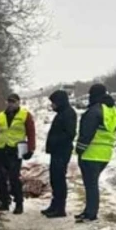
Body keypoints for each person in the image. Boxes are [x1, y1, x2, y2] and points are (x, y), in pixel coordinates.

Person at [75, 84, 116, 223]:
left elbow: (86, 133)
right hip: (105, 153)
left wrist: (79, 149)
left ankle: (91, 213)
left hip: (91, 153)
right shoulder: (112, 111)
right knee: (92, 184)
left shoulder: (94, 111)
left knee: (91, 185)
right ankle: (89, 210)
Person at [0, 93, 35, 214]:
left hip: (15, 150)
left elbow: (31, 133)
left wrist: (31, 149)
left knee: (14, 177)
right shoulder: (0, 116)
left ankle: (19, 203)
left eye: (13, 102)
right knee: (1, 178)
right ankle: (4, 202)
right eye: (9, 101)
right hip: (2, 149)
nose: (11, 104)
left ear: (18, 102)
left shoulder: (25, 115)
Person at [42, 90, 77, 218]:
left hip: (62, 151)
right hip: (57, 151)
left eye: (54, 103)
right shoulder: (62, 113)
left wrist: (55, 141)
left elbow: (70, 134)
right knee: (54, 178)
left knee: (59, 179)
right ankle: (54, 204)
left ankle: (60, 208)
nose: (52, 105)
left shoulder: (68, 113)